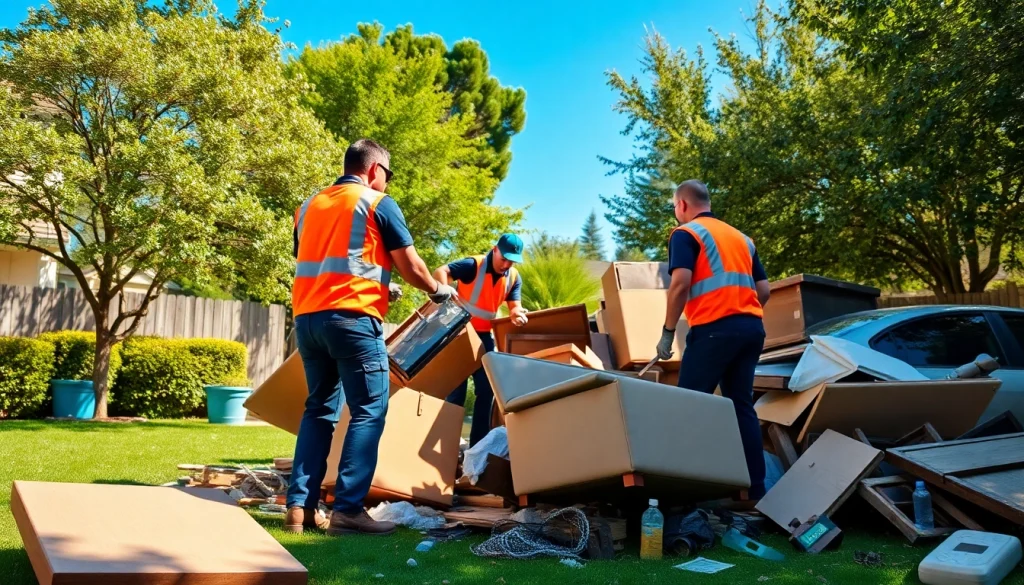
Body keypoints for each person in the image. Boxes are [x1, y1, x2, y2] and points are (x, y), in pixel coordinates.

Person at [285, 139, 457, 536]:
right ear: (375, 168)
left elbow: (330, 263)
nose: (388, 183)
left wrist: (383, 289)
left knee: (318, 411)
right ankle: (347, 510)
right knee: (369, 410)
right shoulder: (377, 204)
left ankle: (299, 509)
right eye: (389, 175)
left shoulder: (308, 206)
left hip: (309, 321)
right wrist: (436, 289)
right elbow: (411, 264)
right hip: (352, 323)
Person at [656, 179, 772, 499]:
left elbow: (680, 284)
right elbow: (764, 291)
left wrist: (667, 334)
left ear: (682, 205)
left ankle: (680, 495)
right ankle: (755, 493)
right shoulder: (742, 239)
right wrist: (740, 315)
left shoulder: (686, 234)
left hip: (713, 330)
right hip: (751, 329)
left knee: (689, 408)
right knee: (741, 406)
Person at [434, 234, 528, 446]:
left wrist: (517, 314)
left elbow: (515, 306)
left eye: (512, 260)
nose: (507, 264)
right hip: (458, 332)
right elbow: (440, 271)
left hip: (484, 338)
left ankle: (477, 447)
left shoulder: (513, 277)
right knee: (456, 394)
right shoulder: (472, 265)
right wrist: (445, 292)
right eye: (504, 258)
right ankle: (447, 448)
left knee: (486, 392)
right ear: (495, 250)